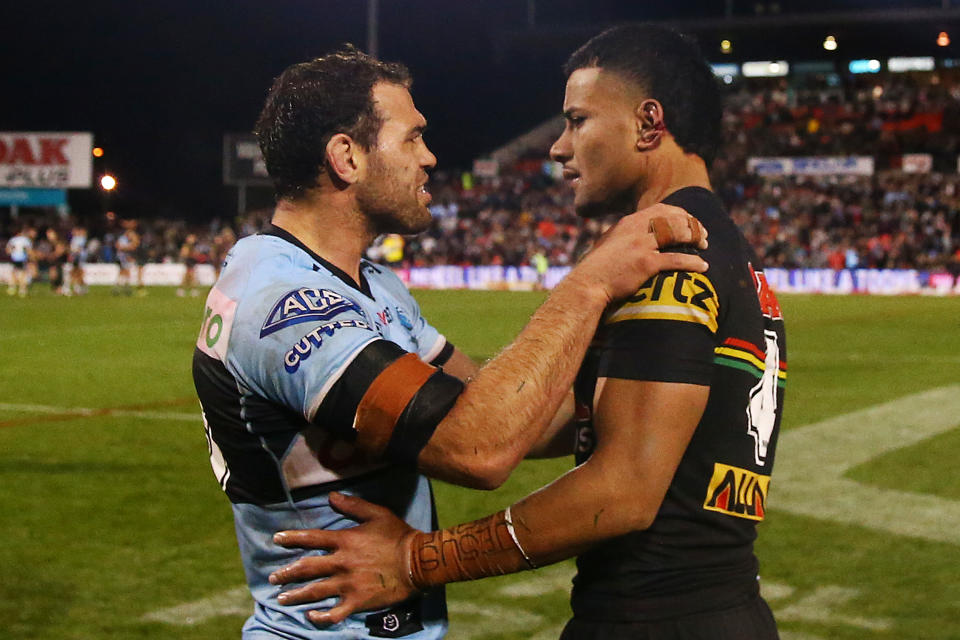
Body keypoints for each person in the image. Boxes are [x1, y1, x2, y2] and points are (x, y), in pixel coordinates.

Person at [269, 25, 787, 640]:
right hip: (715, 608)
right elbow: (566, 419)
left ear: (649, 124)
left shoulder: (667, 253)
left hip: (655, 620)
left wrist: (416, 559)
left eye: (578, 120)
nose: (558, 148)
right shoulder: (723, 245)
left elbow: (622, 491)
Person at [5, 225, 34, 297]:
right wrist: (30, 257)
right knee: (23, 273)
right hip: (22, 258)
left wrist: (12, 253)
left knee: (13, 272)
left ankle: (12, 287)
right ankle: (22, 289)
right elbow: (28, 250)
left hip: (14, 258)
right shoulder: (26, 240)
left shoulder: (13, 239)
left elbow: (8, 250)